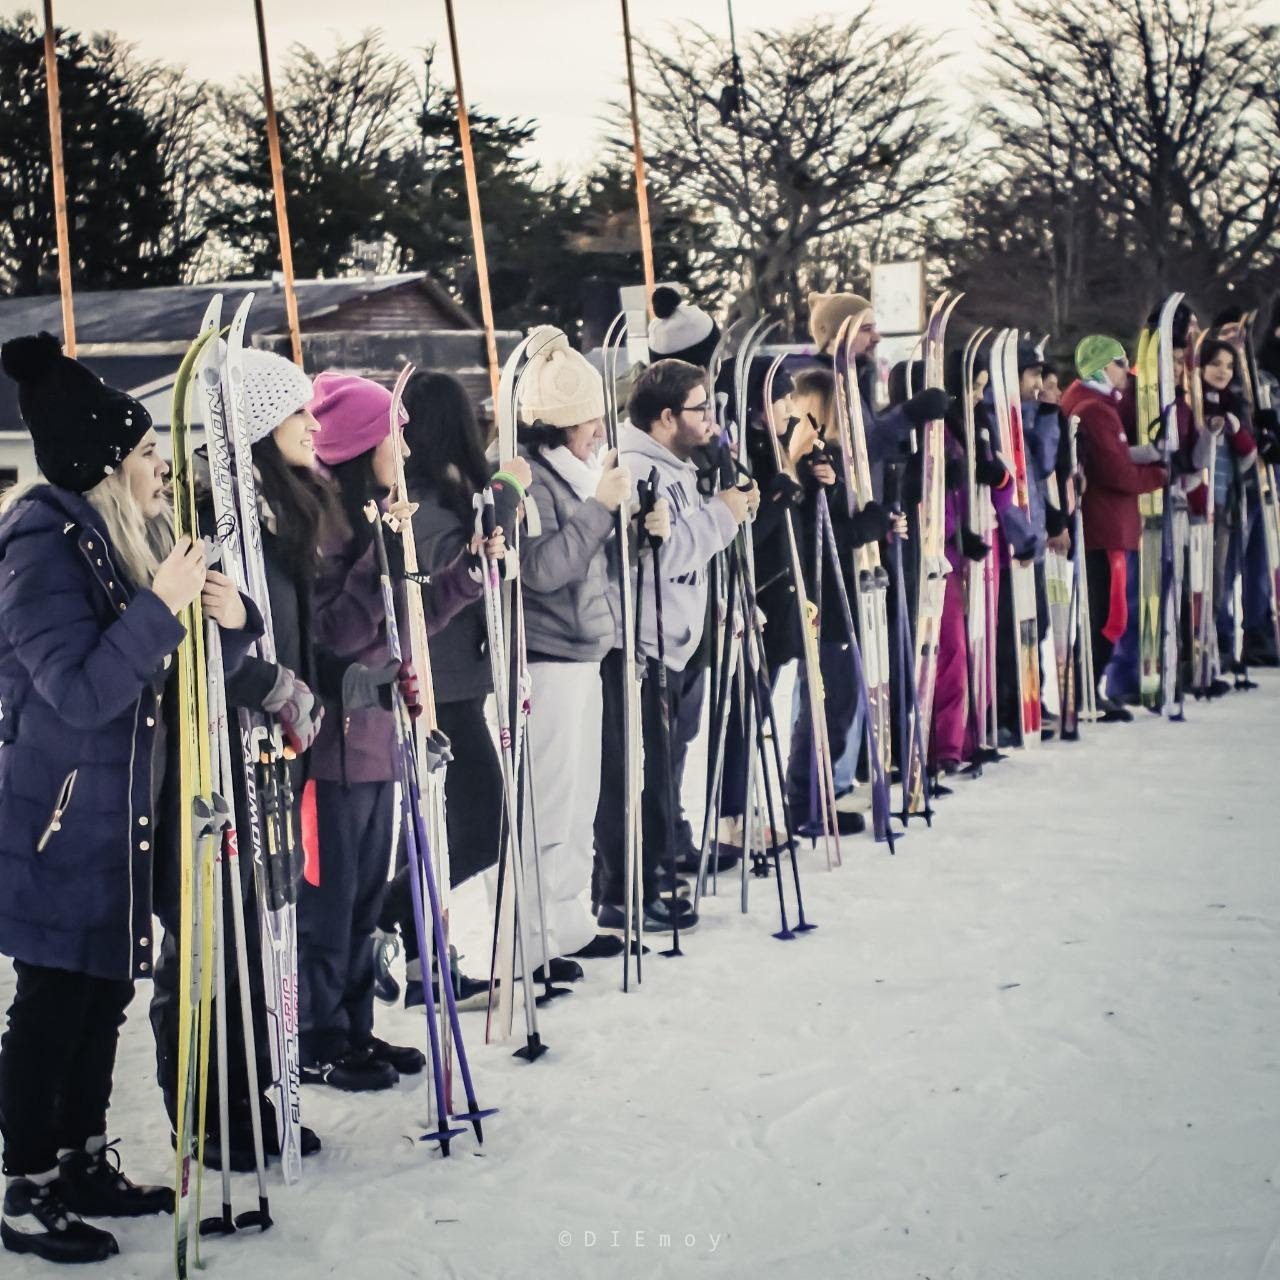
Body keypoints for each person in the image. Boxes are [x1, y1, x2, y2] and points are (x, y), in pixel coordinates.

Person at [0, 333, 259, 1263]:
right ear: (104, 465)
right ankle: (23, 1182)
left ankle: (78, 1154)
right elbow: (77, 691)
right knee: (53, 1000)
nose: (162, 465)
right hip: (58, 817)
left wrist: (229, 623)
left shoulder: (121, 538)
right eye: (147, 451)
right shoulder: (40, 549)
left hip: (123, 816)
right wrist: (161, 605)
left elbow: (179, 675)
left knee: (102, 992)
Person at [151, 347, 327, 1164]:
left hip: (267, 747)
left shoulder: (274, 510)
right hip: (207, 753)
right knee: (210, 937)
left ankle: (255, 1089)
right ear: (259, 426)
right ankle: (209, 1108)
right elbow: (194, 655)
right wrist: (266, 672)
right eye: (299, 413)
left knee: (260, 931)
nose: (313, 426)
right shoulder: (209, 519)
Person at [300, 372, 477, 1091]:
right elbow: (336, 631)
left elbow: (408, 616)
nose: (403, 444)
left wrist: (468, 575)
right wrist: (382, 553)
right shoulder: (325, 527)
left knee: (368, 896)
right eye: (391, 433)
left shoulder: (379, 516)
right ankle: (320, 1034)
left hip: (378, 738)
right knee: (333, 897)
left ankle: (355, 1029)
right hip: (335, 743)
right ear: (361, 445)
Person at [516, 327, 669, 971]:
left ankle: (572, 916)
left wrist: (639, 533)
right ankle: (539, 930)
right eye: (586, 425)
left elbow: (595, 565)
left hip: (590, 652)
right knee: (552, 798)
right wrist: (603, 512)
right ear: (556, 428)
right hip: (548, 658)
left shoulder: (581, 476)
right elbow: (544, 568)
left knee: (583, 796)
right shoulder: (533, 482)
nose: (598, 435)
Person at [595, 359, 753, 934]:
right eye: (699, 408)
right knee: (645, 770)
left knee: (661, 762)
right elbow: (663, 557)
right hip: (643, 640)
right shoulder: (639, 467)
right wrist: (722, 516)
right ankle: (629, 883)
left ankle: (650, 870)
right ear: (666, 418)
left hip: (676, 637)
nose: (710, 419)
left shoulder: (677, 463)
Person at [401, 371, 527, 997]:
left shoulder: (436, 493)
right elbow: (474, 564)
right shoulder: (420, 506)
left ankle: (427, 952)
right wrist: (504, 490)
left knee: (455, 821)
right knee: (481, 820)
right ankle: (392, 910)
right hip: (441, 688)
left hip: (456, 681)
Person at [1060, 335, 1166, 720]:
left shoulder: (1094, 404)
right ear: (1103, 367)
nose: (1128, 371)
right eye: (1121, 363)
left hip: (1105, 524)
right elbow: (1116, 472)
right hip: (1106, 527)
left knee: (1105, 610)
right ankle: (1087, 688)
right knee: (1110, 614)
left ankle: (1087, 688)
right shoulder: (1096, 409)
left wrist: (1148, 457)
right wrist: (1161, 474)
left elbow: (1114, 458)